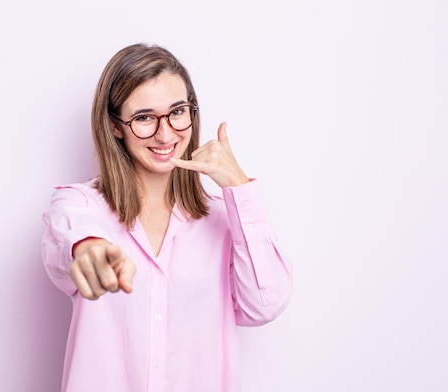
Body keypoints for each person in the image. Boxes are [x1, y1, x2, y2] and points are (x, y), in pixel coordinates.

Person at [41, 43, 293, 392]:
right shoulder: (83, 206)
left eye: (177, 112)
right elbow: (70, 234)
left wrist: (238, 187)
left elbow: (264, 306)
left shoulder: (222, 217)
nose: (165, 134)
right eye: (144, 118)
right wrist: (89, 248)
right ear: (116, 126)